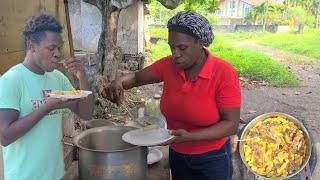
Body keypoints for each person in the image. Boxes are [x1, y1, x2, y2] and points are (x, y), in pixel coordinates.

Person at [103, 11, 241, 180]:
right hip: (177, 154)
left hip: (212, 158)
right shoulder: (169, 65)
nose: (175, 54)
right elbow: (135, 78)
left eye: (182, 48)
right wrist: (118, 83)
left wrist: (191, 137)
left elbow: (231, 124)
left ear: (199, 42)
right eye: (172, 47)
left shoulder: (223, 72)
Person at [0, 14, 94, 180]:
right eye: (51, 48)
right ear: (32, 46)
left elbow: (86, 113)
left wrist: (82, 77)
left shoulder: (58, 78)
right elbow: (4, 137)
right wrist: (46, 107)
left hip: (55, 174)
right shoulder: (11, 80)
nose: (58, 54)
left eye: (59, 48)